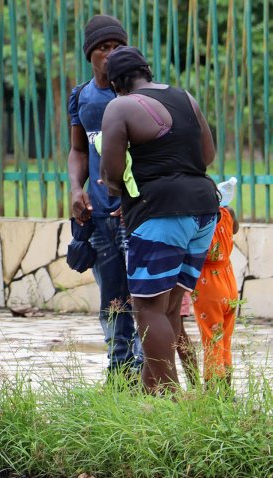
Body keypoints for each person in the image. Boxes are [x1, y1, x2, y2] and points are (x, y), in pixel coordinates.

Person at [100, 46, 219, 394]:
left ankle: (169, 404)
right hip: (203, 209)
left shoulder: (119, 106)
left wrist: (114, 187)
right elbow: (207, 155)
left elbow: (112, 172)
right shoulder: (185, 97)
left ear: (117, 83)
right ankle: (152, 394)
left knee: (148, 308)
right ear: (146, 72)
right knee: (168, 309)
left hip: (160, 211)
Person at [67, 15, 142, 378]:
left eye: (118, 47)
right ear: (90, 54)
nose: (111, 54)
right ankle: (119, 372)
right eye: (103, 48)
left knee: (144, 293)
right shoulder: (81, 96)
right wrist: (75, 189)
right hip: (97, 214)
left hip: (137, 213)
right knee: (111, 295)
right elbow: (78, 150)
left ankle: (148, 372)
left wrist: (135, 202)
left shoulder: (136, 93)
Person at [192, 184, 240, 393]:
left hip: (208, 284)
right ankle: (227, 392)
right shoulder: (228, 213)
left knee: (211, 340)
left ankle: (212, 395)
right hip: (229, 280)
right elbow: (234, 229)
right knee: (225, 340)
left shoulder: (199, 220)